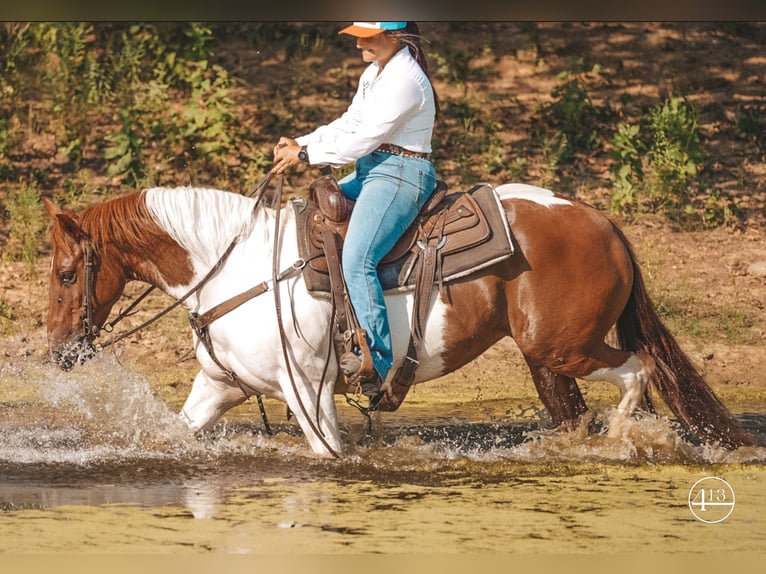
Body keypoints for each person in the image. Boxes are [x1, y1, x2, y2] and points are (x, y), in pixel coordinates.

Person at [272, 21, 439, 400]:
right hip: (373, 169)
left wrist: (304, 155)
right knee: (309, 217)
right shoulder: (375, 72)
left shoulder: (405, 81)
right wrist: (305, 140)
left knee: (358, 258)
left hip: (400, 175)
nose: (360, 42)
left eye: (369, 36)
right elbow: (350, 123)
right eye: (358, 35)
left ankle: (376, 361)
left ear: (395, 36)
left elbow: (360, 140)